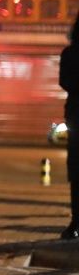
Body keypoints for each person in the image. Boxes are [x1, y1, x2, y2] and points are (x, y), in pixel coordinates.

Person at [60, 14, 79, 239]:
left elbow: (64, 82)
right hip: (75, 116)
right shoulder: (70, 54)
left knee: (76, 171)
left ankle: (76, 221)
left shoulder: (69, 53)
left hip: (75, 116)